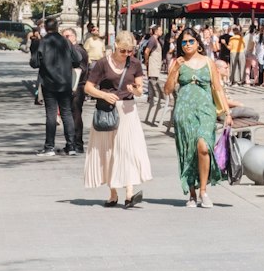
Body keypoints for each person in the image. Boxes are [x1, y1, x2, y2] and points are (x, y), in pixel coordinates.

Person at [83, 29, 152, 207]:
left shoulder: (135, 63)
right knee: (109, 152)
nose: (126, 54)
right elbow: (88, 88)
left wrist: (134, 90)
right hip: (108, 112)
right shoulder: (102, 64)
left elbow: (139, 90)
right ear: (115, 46)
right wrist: (104, 95)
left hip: (128, 112)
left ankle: (129, 192)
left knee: (127, 151)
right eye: (123, 50)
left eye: (130, 51)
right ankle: (113, 192)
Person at [164, 34, 232, 208]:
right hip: (184, 112)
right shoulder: (177, 63)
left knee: (203, 147)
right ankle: (192, 194)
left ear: (198, 43)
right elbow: (168, 89)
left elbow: (217, 88)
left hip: (205, 111)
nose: (187, 45)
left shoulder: (209, 62)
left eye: (191, 41)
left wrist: (227, 112)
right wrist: (174, 70)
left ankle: (203, 191)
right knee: (188, 151)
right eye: (184, 42)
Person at [32, 19, 83, 157]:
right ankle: (71, 146)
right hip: (65, 82)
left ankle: (49, 147)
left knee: (51, 114)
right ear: (57, 27)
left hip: (49, 82)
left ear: (45, 28)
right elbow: (77, 58)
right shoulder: (65, 41)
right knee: (67, 113)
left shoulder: (43, 42)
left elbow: (34, 63)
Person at [63, 25, 89, 152]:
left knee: (75, 114)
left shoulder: (78, 50)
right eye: (63, 37)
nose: (65, 38)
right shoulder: (68, 49)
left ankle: (78, 143)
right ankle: (72, 142)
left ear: (74, 37)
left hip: (78, 85)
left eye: (67, 36)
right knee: (70, 114)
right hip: (69, 84)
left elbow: (82, 69)